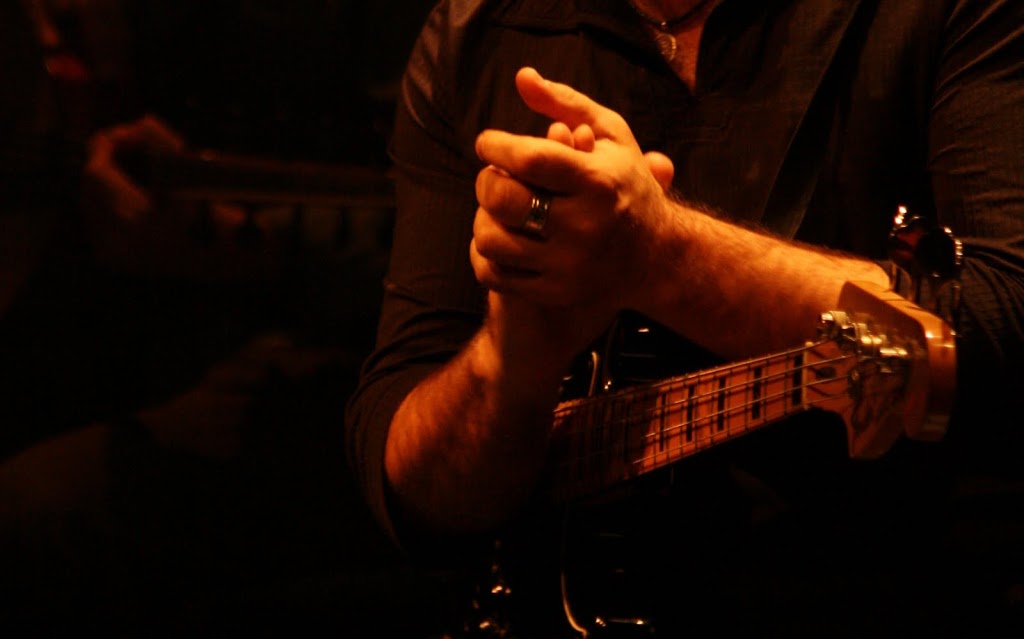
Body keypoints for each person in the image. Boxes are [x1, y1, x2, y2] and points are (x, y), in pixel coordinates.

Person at [345, 0, 1024, 636]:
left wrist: (662, 254)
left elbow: (1006, 322)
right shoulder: (474, 32)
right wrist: (509, 360)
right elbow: (412, 495)